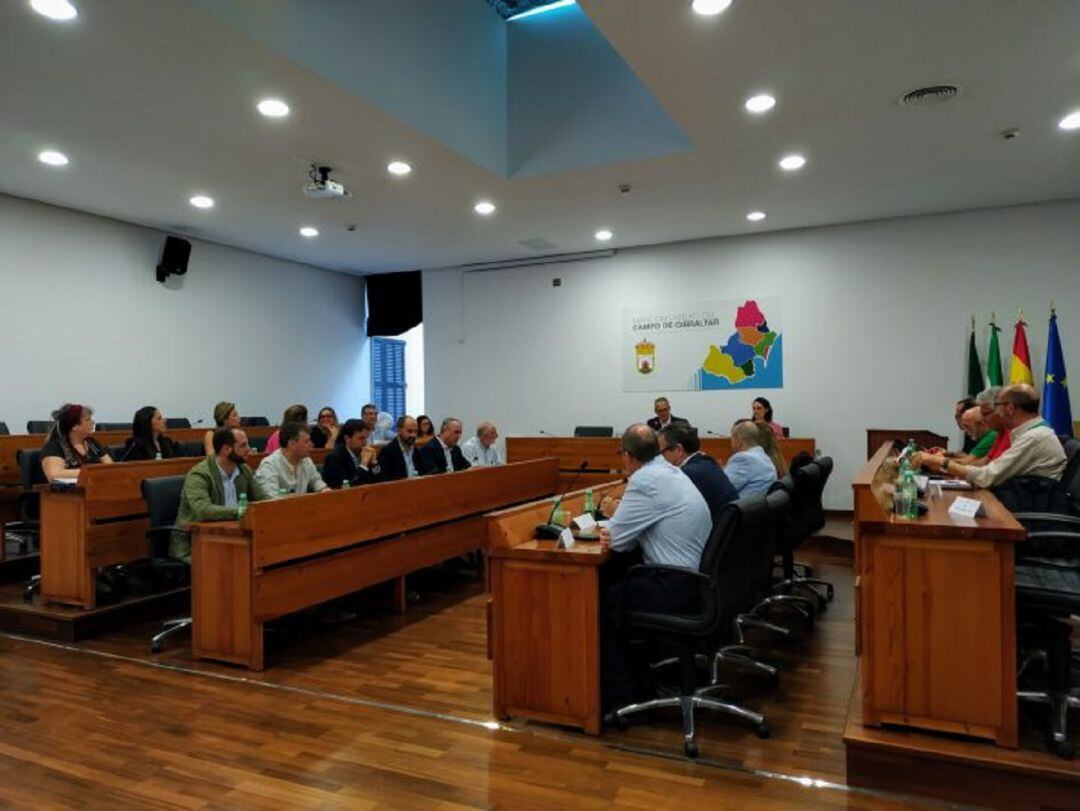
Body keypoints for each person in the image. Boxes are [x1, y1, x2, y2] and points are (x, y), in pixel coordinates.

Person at [598, 424, 711, 712]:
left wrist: (607, 525)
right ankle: (640, 677)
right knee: (618, 582)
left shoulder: (645, 480)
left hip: (675, 586)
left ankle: (622, 697)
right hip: (698, 582)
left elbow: (618, 541)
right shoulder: (671, 472)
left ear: (629, 456)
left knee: (597, 602)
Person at [924, 384, 1066, 488]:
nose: (997, 412)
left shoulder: (1034, 437)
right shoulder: (1029, 433)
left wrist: (941, 463)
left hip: (1028, 508)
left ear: (1010, 408)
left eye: (997, 405)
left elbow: (988, 477)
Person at [171, 426, 269, 561]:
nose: (249, 449)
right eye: (243, 445)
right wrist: (241, 512)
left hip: (233, 538)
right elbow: (202, 510)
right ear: (226, 450)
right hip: (197, 542)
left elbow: (263, 499)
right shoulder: (199, 474)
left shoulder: (243, 469)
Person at [659, 424, 737, 525]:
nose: (659, 458)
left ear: (678, 450)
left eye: (661, 453)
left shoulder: (686, 475)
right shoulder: (706, 462)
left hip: (714, 535)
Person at [41, 403, 114, 482]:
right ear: (75, 426)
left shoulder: (92, 443)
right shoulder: (54, 446)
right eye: (88, 420)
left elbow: (110, 467)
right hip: (68, 492)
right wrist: (92, 472)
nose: (93, 422)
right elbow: (54, 475)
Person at [255, 421, 330, 496]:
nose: (312, 444)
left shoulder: (306, 461)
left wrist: (324, 491)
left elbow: (317, 482)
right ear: (292, 444)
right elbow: (271, 499)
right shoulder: (269, 465)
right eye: (307, 441)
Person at [724, 420, 778, 496]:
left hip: (737, 506)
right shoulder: (764, 457)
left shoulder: (743, 459)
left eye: (732, 437)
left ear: (739, 439)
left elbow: (720, 488)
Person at [322, 419, 381, 488]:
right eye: (361, 438)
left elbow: (381, 481)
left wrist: (374, 463)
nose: (365, 443)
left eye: (366, 438)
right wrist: (363, 463)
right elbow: (348, 487)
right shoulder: (334, 458)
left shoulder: (365, 452)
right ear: (347, 438)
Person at [377, 415, 421, 481]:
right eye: (409, 431)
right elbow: (385, 480)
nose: (413, 435)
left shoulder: (416, 450)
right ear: (399, 430)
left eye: (416, 432)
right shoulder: (387, 452)